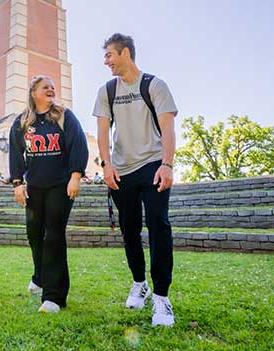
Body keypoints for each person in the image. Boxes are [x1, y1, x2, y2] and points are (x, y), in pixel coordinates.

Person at [93, 33, 178, 326]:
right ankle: (139, 283)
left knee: (158, 225)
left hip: (153, 164)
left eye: (109, 55)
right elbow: (103, 131)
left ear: (125, 53)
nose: (106, 61)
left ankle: (162, 299)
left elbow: (168, 129)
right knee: (129, 231)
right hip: (121, 170)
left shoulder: (154, 85)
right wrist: (106, 165)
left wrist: (167, 164)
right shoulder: (106, 90)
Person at [9, 75, 89, 313]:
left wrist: (76, 175)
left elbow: (79, 145)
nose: (51, 90)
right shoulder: (22, 121)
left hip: (60, 186)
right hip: (34, 188)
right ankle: (40, 276)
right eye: (46, 87)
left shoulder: (64, 116)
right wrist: (17, 183)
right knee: (34, 234)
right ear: (34, 92)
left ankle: (54, 297)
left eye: (53, 87)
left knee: (53, 235)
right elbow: (15, 153)